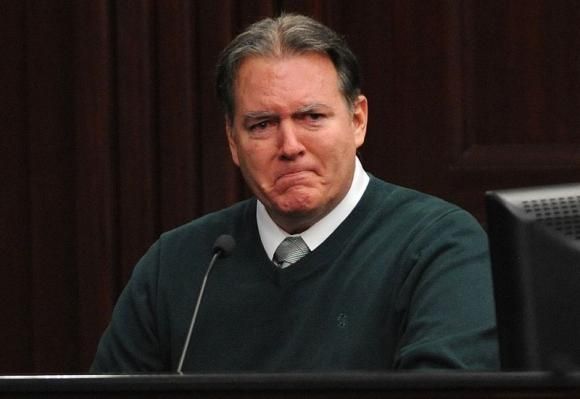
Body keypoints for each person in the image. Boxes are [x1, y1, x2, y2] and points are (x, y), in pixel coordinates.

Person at [91, 13, 498, 372]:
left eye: (312, 117)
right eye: (262, 124)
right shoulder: (182, 265)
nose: (289, 146)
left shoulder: (439, 247)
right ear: (233, 142)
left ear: (357, 121)